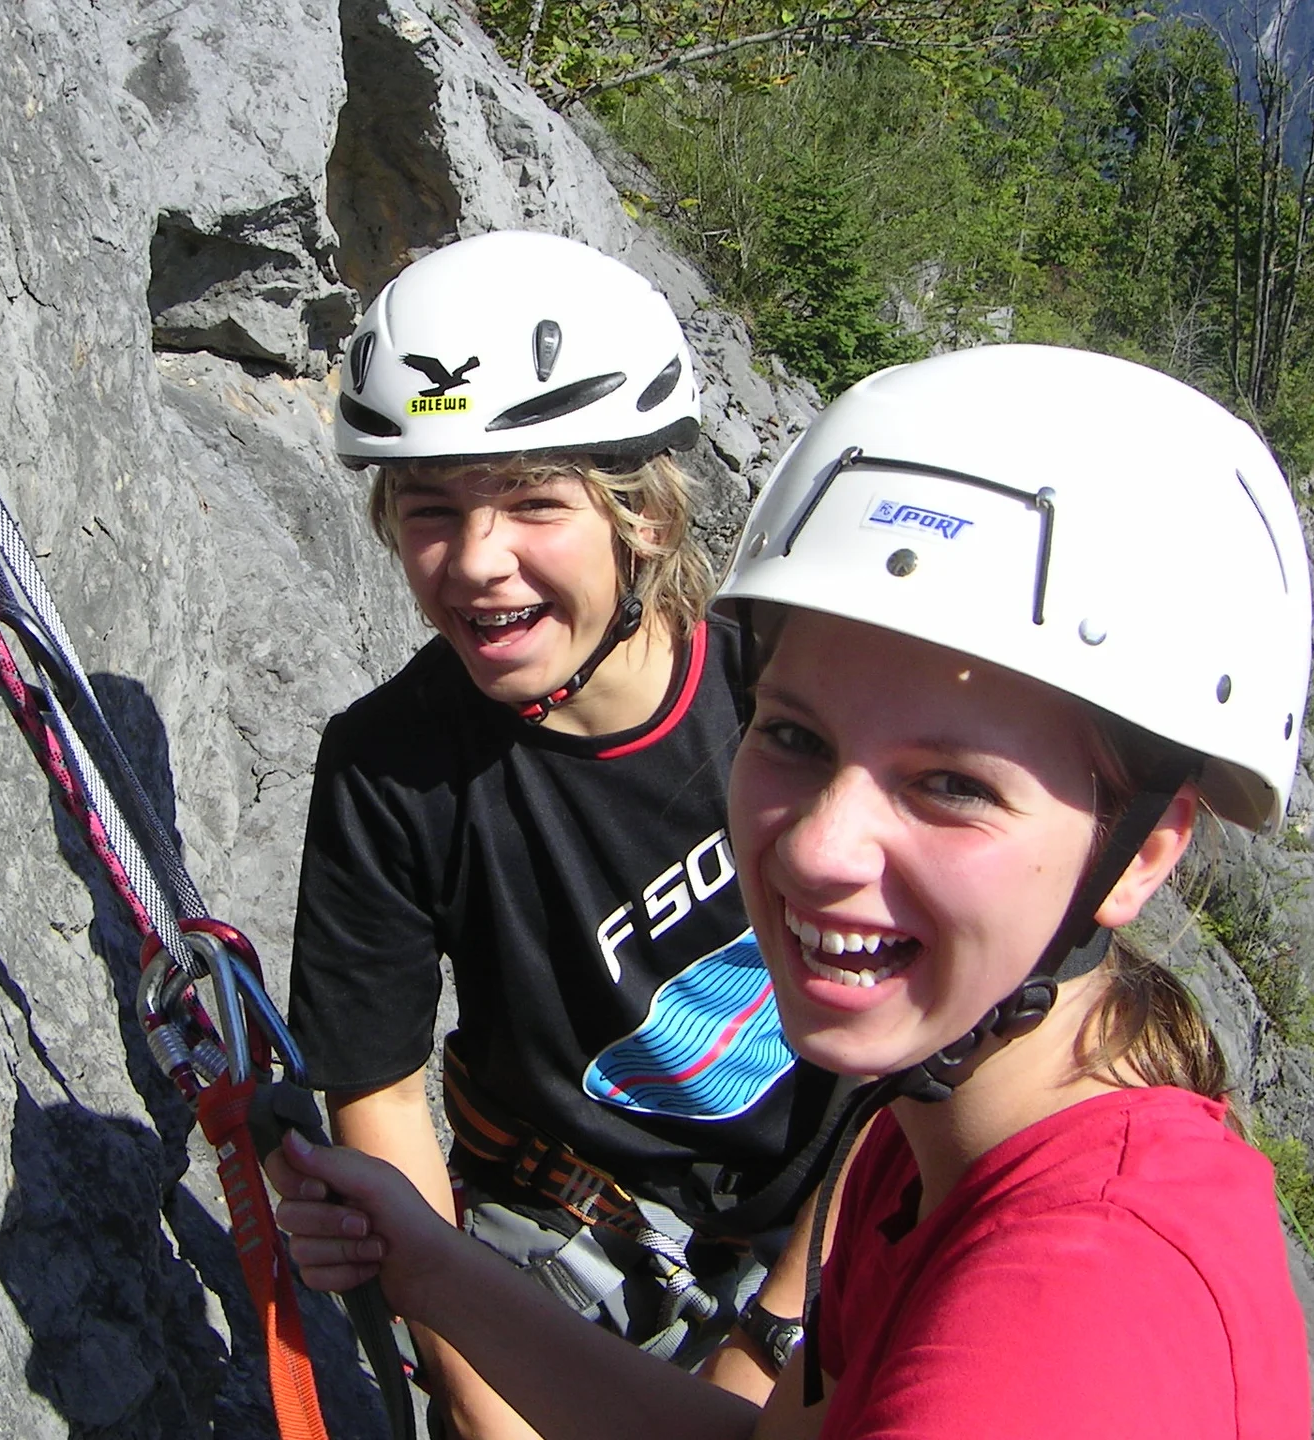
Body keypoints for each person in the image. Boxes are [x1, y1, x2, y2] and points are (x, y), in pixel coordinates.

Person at [270, 343, 1314, 1439]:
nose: (821, 848)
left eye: (952, 784)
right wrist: (433, 1270)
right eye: (796, 737)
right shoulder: (926, 1156)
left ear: (1144, 855)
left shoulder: (1058, 1332)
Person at [286, 231, 837, 1438]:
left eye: (535, 501)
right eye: (431, 510)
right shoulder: (392, 771)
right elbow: (376, 1103)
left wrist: (769, 1344)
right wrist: (487, 1414)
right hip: (572, 1227)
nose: (477, 564)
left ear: (641, 517)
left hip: (834, 1208)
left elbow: (917, 1043)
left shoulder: (780, 691)